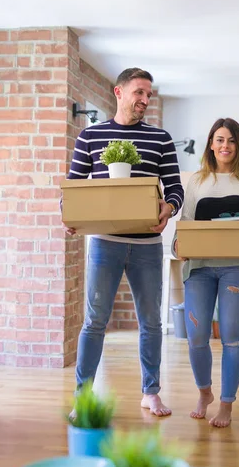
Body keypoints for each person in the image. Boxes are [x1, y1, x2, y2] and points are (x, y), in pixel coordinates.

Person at [63, 68, 184, 416]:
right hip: (104, 243)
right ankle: (82, 396)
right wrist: (68, 214)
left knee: (151, 322)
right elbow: (74, 185)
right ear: (119, 92)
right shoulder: (90, 136)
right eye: (139, 92)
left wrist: (169, 206)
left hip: (147, 246)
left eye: (149, 94)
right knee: (95, 321)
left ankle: (151, 392)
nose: (145, 99)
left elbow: (175, 188)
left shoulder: (160, 139)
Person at [173, 117, 239, 427]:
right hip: (200, 267)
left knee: (230, 335)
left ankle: (226, 404)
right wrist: (178, 246)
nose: (224, 145)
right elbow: (185, 224)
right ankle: (205, 393)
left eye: (230, 140)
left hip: (238, 268)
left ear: (238, 145)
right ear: (211, 144)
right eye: (219, 139)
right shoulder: (197, 181)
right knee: (197, 334)